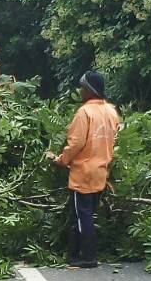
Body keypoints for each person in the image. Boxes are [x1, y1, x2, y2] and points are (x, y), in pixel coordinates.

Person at [48, 71, 121, 268]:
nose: (80, 91)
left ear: (89, 90)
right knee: (84, 214)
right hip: (101, 171)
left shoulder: (85, 112)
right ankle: (74, 255)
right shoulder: (111, 111)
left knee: (82, 216)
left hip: (83, 172)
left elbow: (76, 143)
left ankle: (89, 257)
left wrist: (60, 160)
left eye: (82, 87)